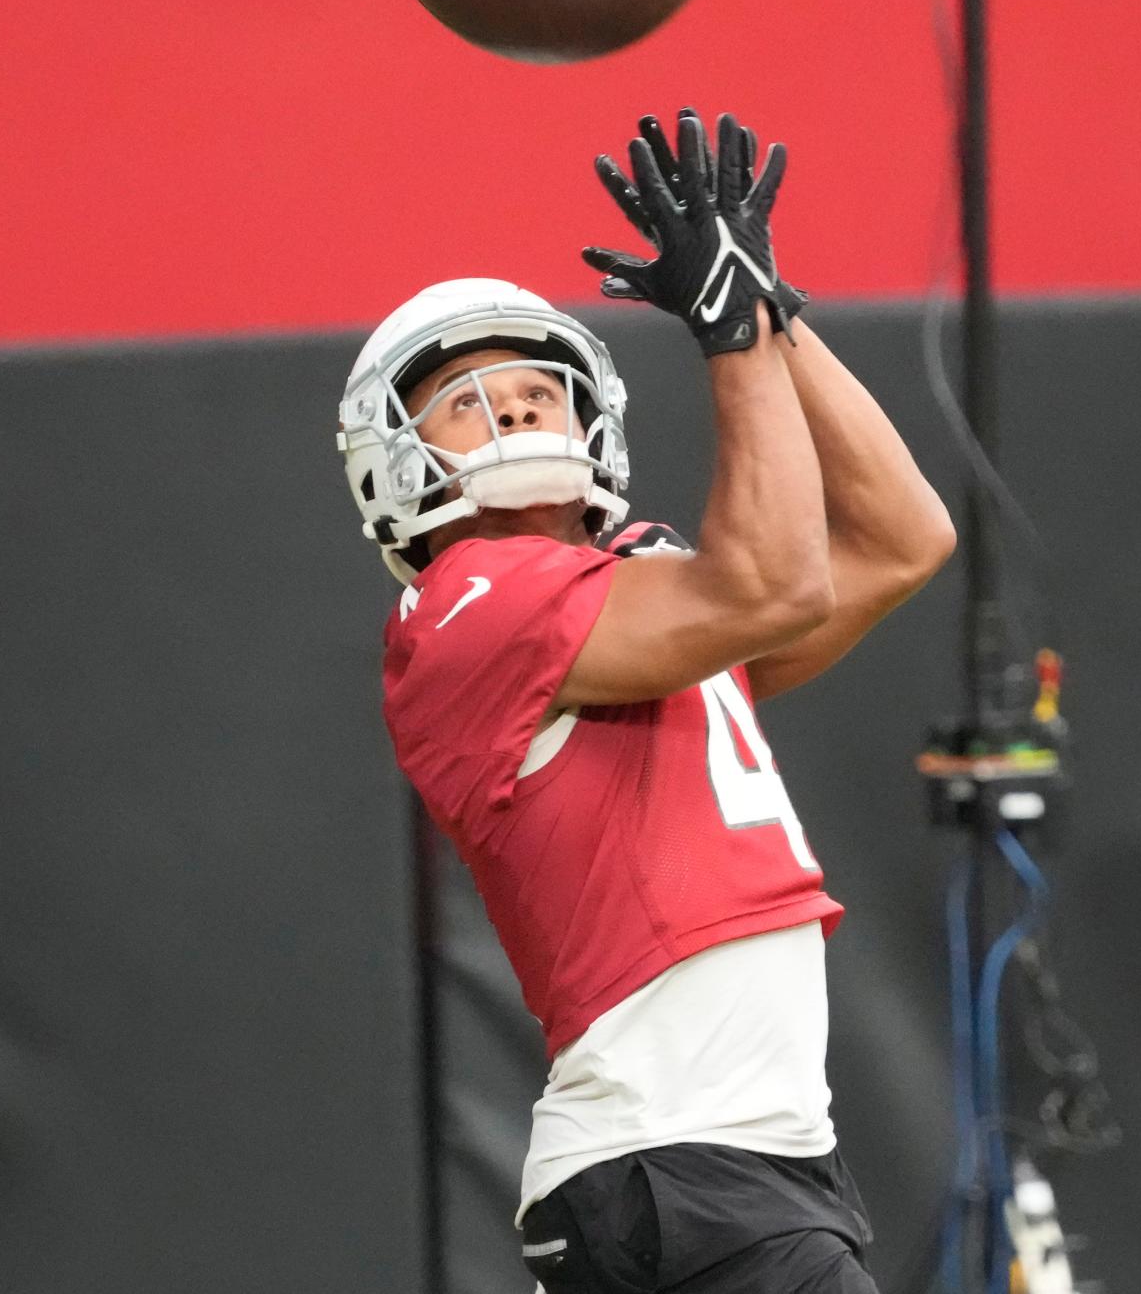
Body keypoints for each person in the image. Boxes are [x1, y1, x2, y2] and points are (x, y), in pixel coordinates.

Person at [336, 112, 956, 1294]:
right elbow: (772, 578)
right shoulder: (475, 599)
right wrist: (730, 338)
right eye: (467, 400)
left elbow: (902, 537)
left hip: (733, 1166)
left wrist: (772, 312)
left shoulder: (631, 603)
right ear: (393, 455)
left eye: (535, 389)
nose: (515, 410)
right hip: (683, 1164)